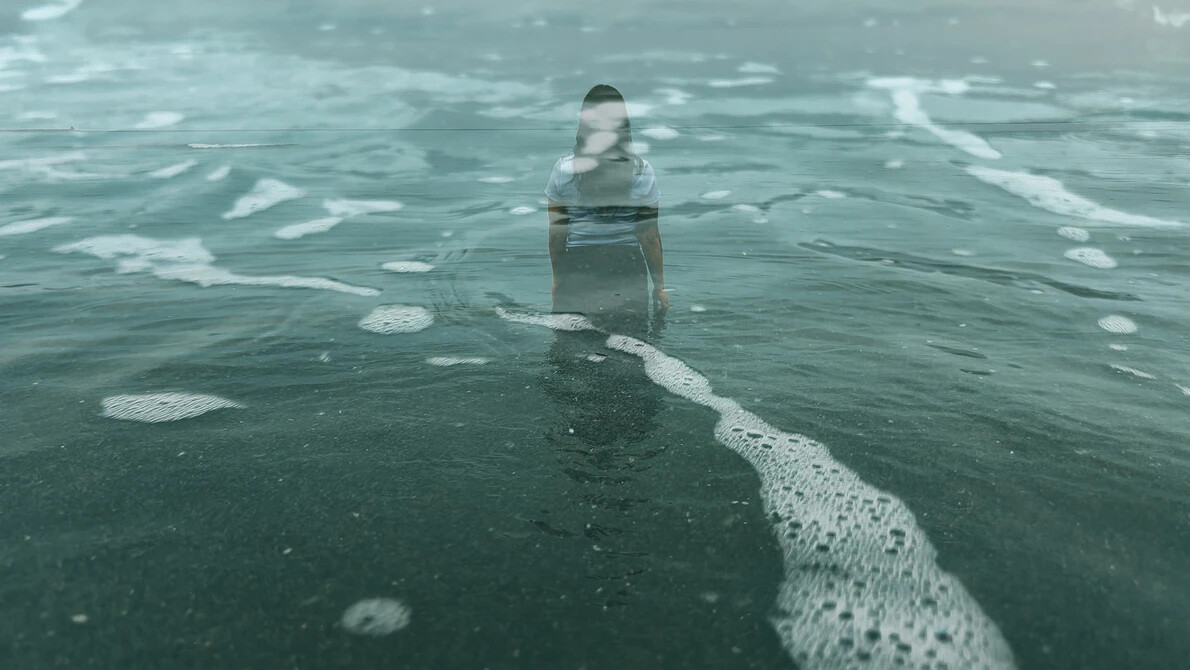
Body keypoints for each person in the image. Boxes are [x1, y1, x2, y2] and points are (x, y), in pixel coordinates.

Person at [545, 84, 666, 334]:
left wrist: (558, 280)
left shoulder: (564, 170)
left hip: (578, 269)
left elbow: (558, 235)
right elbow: (649, 237)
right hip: (627, 269)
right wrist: (659, 287)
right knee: (632, 354)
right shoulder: (641, 171)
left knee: (571, 355)